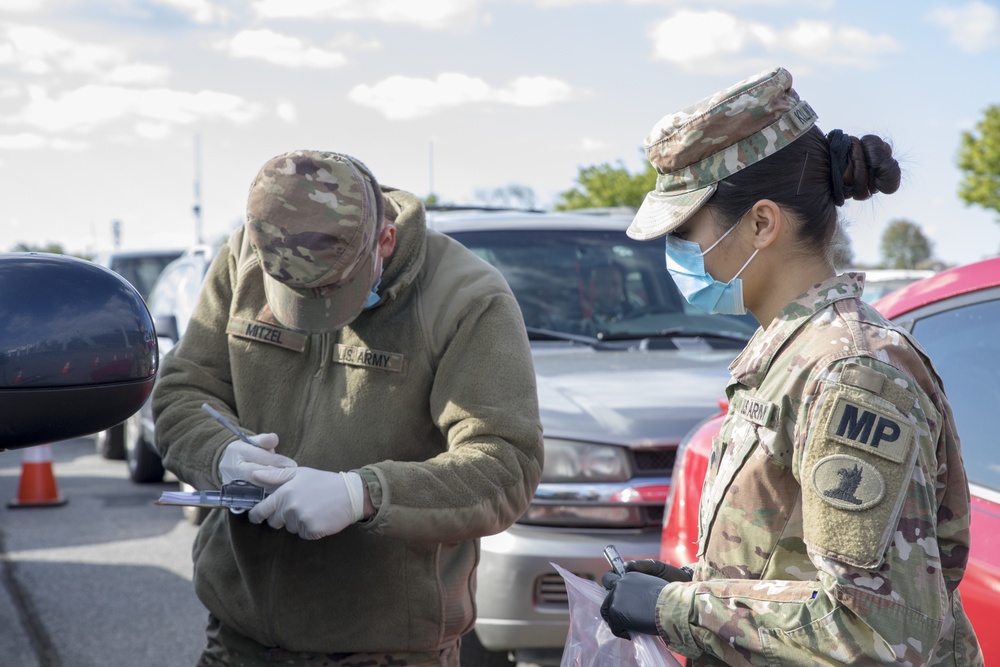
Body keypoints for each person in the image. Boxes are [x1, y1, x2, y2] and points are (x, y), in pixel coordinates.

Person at [599, 67, 983, 665]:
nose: (675, 253)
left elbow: (872, 633)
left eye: (685, 231)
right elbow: (796, 559)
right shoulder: (794, 353)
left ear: (760, 223)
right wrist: (691, 586)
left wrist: (675, 610)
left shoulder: (851, 374)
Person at [151, 150, 544, 667]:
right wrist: (221, 454)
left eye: (333, 292)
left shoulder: (467, 298)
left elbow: (505, 464)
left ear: (385, 240)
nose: (314, 316)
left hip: (389, 651)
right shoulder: (246, 257)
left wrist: (364, 494)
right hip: (238, 638)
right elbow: (182, 390)